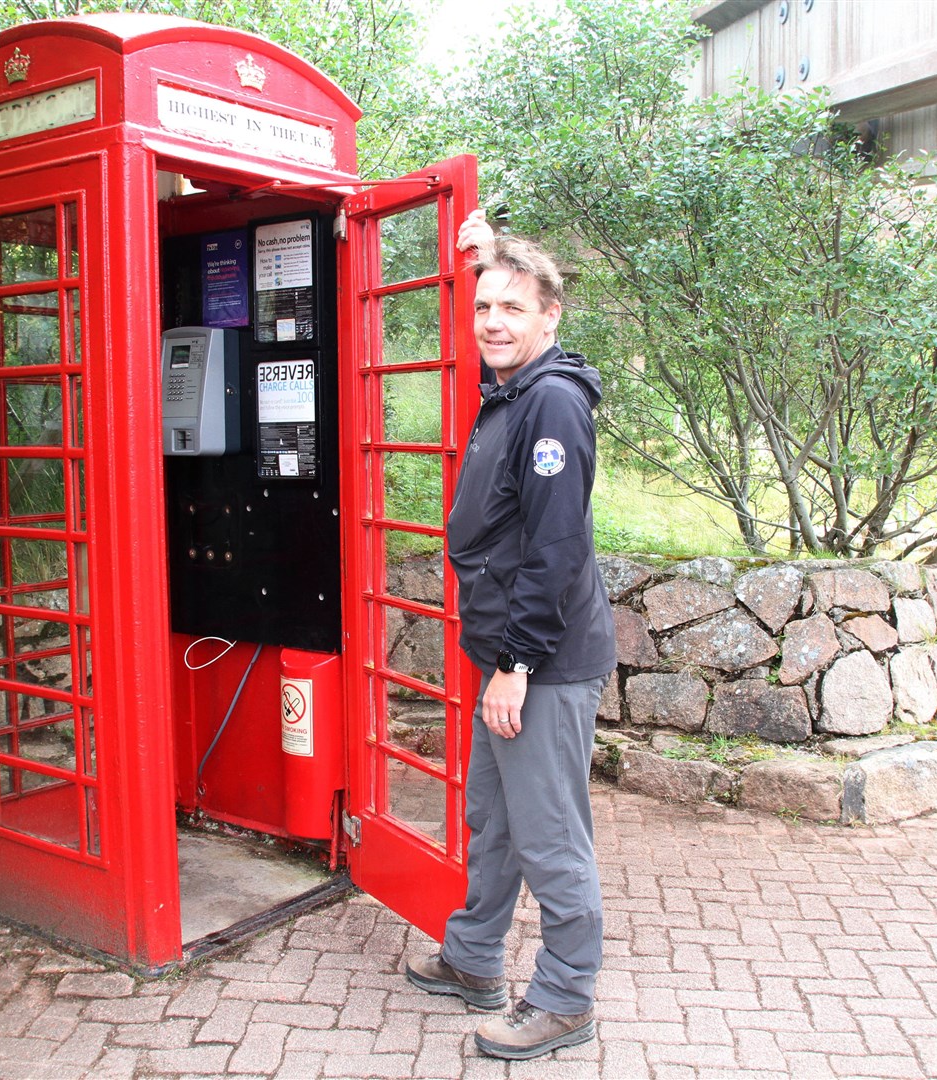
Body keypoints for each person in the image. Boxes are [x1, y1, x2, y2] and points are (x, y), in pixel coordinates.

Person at [404, 209, 617, 1061]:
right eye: (484, 305)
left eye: (513, 308)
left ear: (550, 317)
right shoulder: (512, 391)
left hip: (544, 662)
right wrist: (478, 243)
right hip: (505, 652)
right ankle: (474, 958)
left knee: (550, 831)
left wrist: (517, 665)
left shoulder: (554, 406)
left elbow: (556, 552)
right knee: (492, 818)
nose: (493, 320)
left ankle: (566, 999)